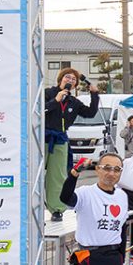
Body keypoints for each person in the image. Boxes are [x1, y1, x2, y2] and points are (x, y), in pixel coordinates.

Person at [44, 68, 100, 222]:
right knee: (36, 173)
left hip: (60, 139)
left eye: (74, 79)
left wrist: (94, 95)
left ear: (75, 85)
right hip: (41, 137)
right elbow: (40, 110)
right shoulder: (48, 93)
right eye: (67, 77)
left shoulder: (73, 102)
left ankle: (56, 209)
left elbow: (90, 113)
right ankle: (31, 207)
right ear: (60, 79)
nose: (70, 80)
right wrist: (55, 101)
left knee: (57, 175)